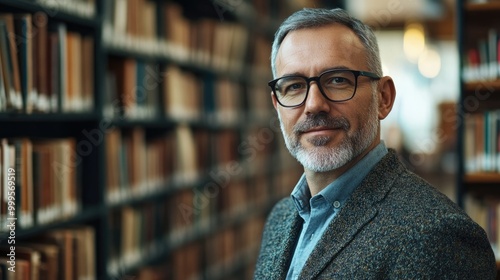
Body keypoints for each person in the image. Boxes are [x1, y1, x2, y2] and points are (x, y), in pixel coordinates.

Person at [254, 8, 496, 279]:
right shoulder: (280, 217)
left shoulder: (439, 235)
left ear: (383, 98)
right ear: (277, 105)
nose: (314, 105)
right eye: (294, 85)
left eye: (337, 80)